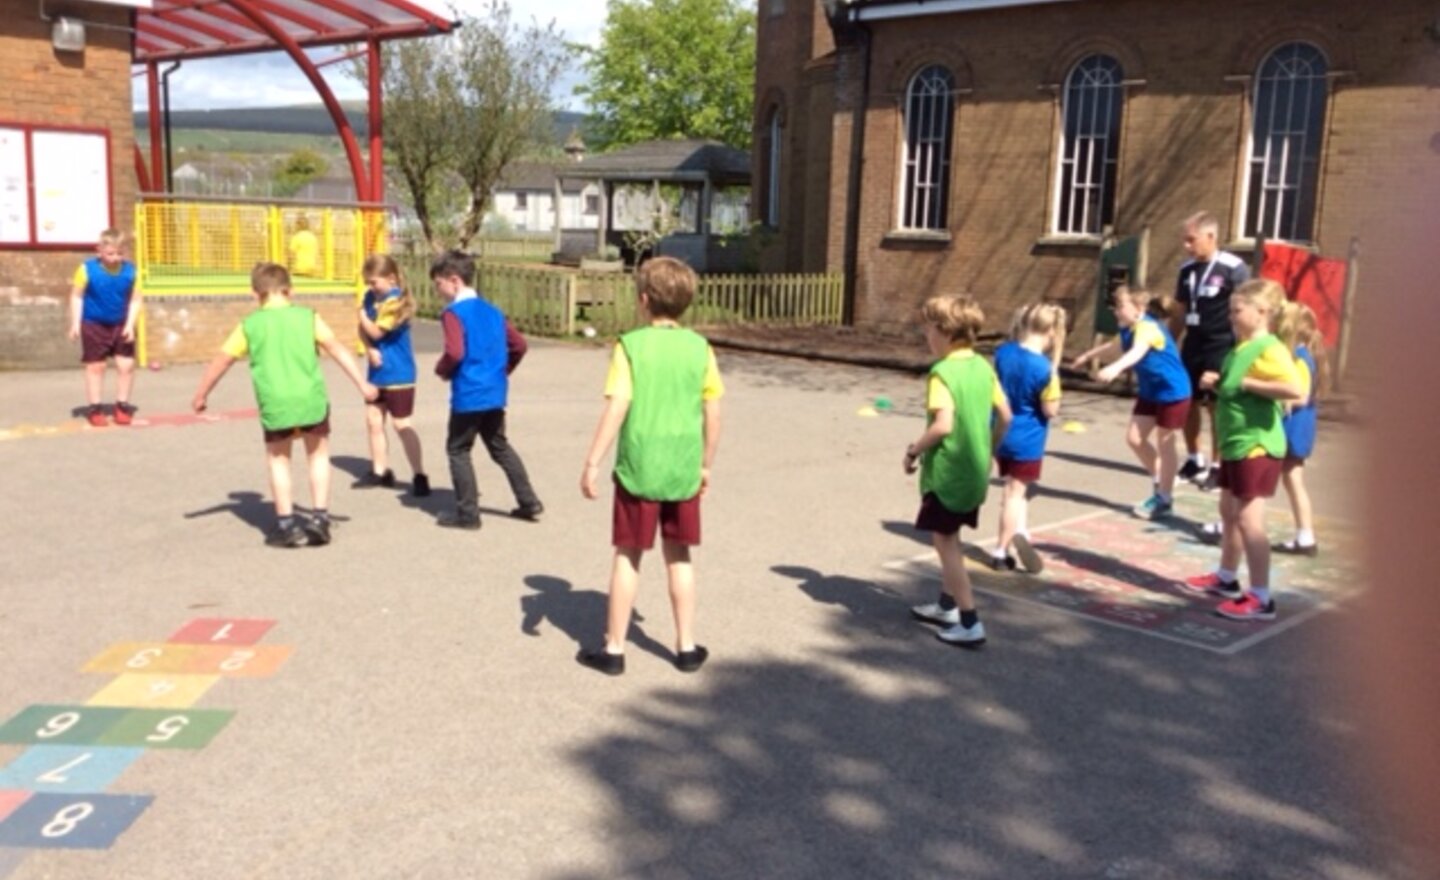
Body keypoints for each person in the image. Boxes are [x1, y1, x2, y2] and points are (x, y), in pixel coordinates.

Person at [577, 257, 723, 676]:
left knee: (628, 554)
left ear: (643, 301)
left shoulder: (630, 346)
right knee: (679, 555)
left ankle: (615, 648)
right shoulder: (701, 348)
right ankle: (686, 645)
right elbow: (713, 412)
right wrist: (706, 464)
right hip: (682, 466)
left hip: (639, 465)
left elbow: (618, 405)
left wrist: (592, 461)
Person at [192, 262, 377, 547]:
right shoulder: (308, 317)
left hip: (275, 402)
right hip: (310, 399)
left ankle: (287, 525)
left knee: (279, 459)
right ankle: (320, 519)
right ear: (290, 290)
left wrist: (202, 393)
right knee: (318, 455)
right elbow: (337, 349)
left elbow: (223, 359)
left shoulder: (250, 325)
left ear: (255, 294)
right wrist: (362, 384)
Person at [1179, 279, 1303, 620]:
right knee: (1229, 513)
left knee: (1250, 520)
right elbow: (1235, 391)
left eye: (1237, 310)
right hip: (1235, 444)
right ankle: (1226, 578)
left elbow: (1294, 388)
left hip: (1257, 444)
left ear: (1262, 312)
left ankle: (1262, 597)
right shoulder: (1241, 347)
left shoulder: (1270, 347)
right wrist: (1218, 383)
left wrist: (1247, 383)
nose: (1231, 317)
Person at [906, 294, 1013, 648]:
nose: (926, 335)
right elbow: (1006, 415)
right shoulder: (983, 366)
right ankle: (946, 605)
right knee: (951, 535)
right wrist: (991, 448)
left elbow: (943, 424)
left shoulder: (942, 372)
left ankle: (969, 621)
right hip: (975, 468)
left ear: (946, 332)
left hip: (949, 472)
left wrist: (914, 450)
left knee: (945, 541)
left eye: (928, 328)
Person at [431, 250, 543, 530]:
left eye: (439, 285)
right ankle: (528, 501)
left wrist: (443, 369)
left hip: (469, 393)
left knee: (458, 449)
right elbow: (519, 345)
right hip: (494, 392)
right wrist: (502, 371)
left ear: (454, 280)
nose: (438, 291)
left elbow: (455, 352)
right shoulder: (493, 310)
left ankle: (468, 514)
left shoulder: (453, 313)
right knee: (499, 447)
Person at [1072, 286, 1192, 520]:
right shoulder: (1128, 328)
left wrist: (1116, 368)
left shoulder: (1147, 327)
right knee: (1135, 439)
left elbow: (1137, 352)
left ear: (1139, 308)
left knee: (1165, 443)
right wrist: (1088, 356)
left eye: (1121, 306)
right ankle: (1161, 482)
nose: (1117, 311)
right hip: (1150, 391)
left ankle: (1164, 498)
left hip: (1172, 391)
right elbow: (1113, 347)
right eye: (1115, 307)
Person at [1169, 211, 1249, 490]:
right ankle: (1194, 459)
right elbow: (1179, 311)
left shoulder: (1233, 267)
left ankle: (1218, 464)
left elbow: (1245, 309)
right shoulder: (1186, 269)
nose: (1187, 246)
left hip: (1221, 343)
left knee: (1216, 406)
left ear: (1211, 237)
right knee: (1187, 400)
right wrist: (1168, 344)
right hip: (1194, 342)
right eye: (1185, 240)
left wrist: (1243, 349)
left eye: (1192, 240)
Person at [989, 302, 1065, 573]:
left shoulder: (1003, 352)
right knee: (1014, 493)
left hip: (999, 431)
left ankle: (1020, 530)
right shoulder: (1046, 370)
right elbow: (1050, 410)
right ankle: (1000, 550)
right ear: (1052, 333)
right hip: (1027, 439)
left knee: (1012, 490)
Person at [354, 254, 429, 496]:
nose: (371, 288)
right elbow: (364, 334)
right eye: (368, 283)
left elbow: (376, 331)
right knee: (373, 421)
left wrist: (362, 317)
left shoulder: (396, 302)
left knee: (401, 425)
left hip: (399, 373)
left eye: (374, 282)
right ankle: (380, 471)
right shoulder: (370, 298)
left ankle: (419, 474)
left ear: (391, 278)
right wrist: (369, 349)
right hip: (377, 372)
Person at [68, 229, 141, 427]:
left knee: (126, 366)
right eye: (110, 254)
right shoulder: (86, 269)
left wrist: (130, 324)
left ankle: (122, 406)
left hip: (121, 323)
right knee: (96, 367)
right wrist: (75, 322)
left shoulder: (131, 271)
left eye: (119, 253)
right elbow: (77, 296)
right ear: (99, 251)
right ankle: (95, 408)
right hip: (94, 323)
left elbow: (136, 300)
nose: (115, 258)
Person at [1272, 301, 1328, 556]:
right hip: (1298, 425)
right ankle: (1305, 536)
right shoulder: (1303, 355)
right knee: (1291, 479)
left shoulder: (1300, 358)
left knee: (1292, 479)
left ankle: (1306, 536)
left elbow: (1301, 396)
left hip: (1295, 426)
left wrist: (1273, 398)